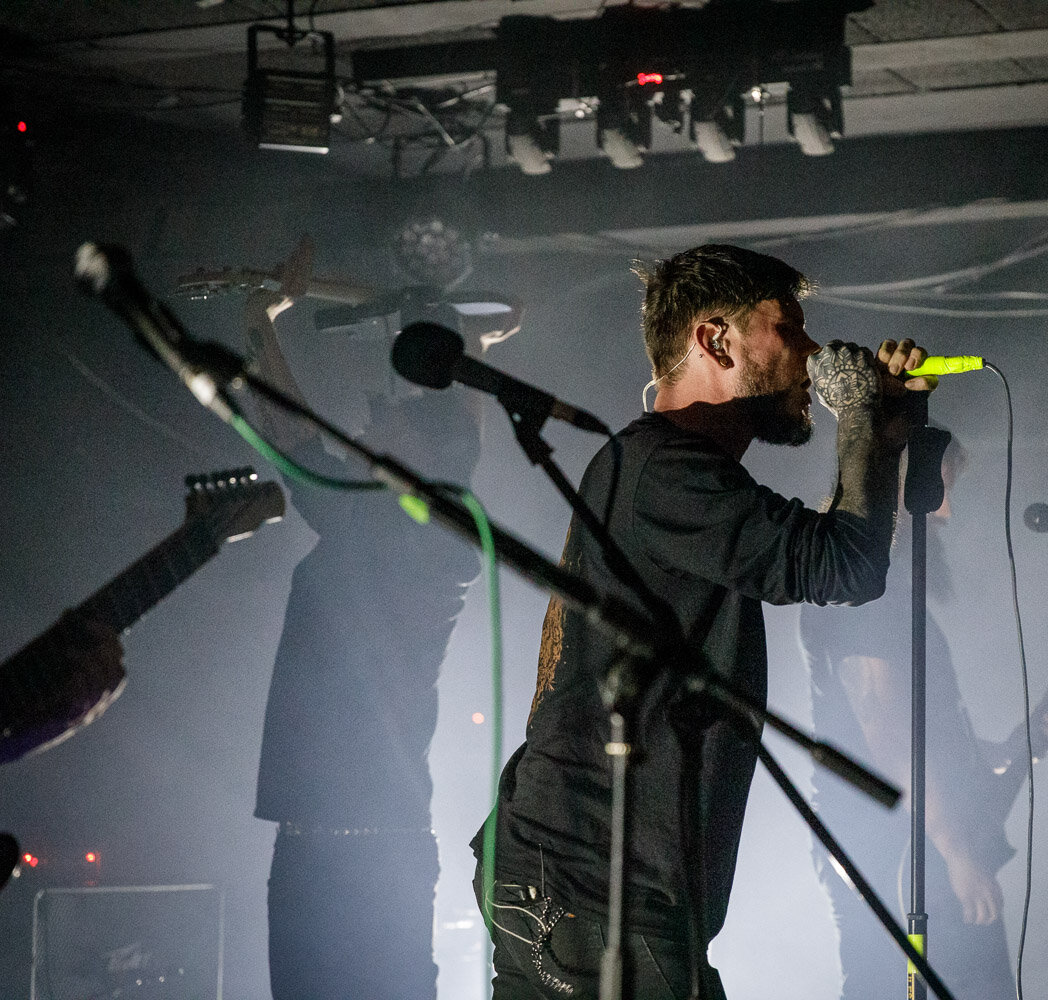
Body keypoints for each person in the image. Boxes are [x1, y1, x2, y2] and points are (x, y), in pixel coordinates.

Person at [473, 244, 934, 1000]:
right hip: (597, 882)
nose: (814, 354)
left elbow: (834, 557)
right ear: (715, 340)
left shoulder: (663, 469)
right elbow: (844, 566)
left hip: (571, 874)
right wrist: (859, 412)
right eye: (790, 329)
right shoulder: (665, 472)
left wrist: (875, 437)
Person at [247, 231, 506, 999]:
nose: (362, 428)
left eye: (383, 420)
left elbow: (292, 434)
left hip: (358, 851)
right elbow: (458, 442)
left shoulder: (404, 526)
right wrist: (470, 353)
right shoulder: (407, 520)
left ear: (416, 454)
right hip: (333, 843)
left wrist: (261, 325)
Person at [798, 439, 1048, 1000]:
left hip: (910, 837)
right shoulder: (865, 591)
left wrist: (997, 750)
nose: (947, 511)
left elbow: (921, 725)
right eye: (942, 487)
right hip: (900, 852)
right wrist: (954, 850)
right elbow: (890, 738)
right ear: (901, 487)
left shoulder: (881, 585)